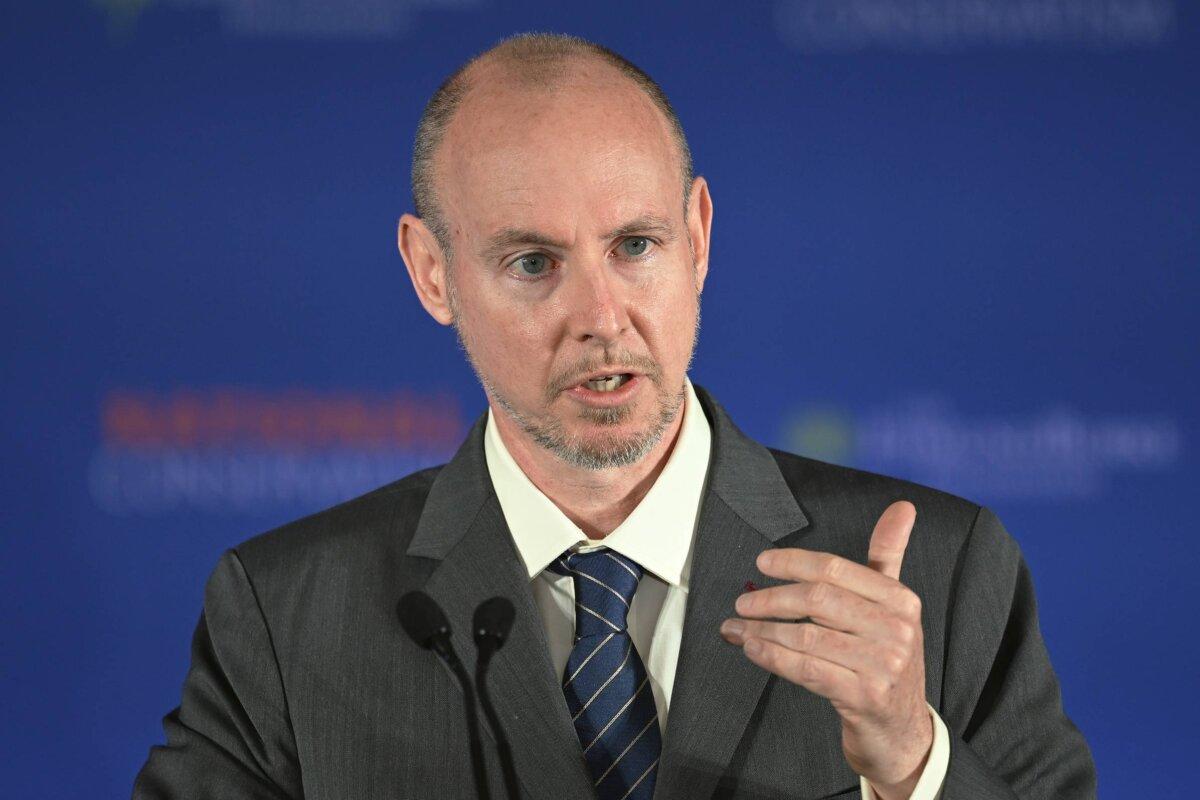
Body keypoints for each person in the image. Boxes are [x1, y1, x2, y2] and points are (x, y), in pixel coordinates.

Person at [133, 33, 1095, 800]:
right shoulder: (288, 614)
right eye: (533, 263)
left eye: (635, 245)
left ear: (699, 237)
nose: (601, 316)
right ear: (432, 273)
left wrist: (913, 764)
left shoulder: (940, 574)